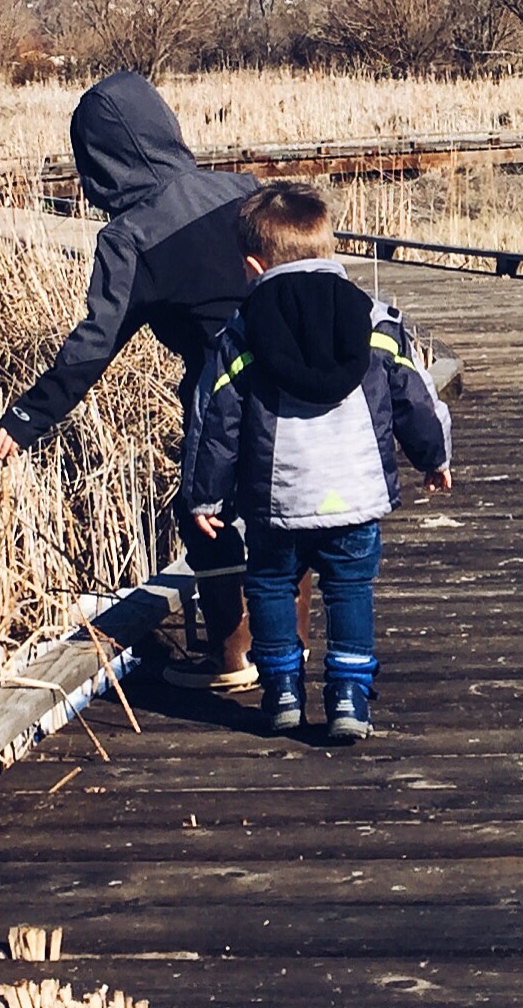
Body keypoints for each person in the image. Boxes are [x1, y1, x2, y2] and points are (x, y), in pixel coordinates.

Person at [0, 70, 260, 688]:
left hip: (218, 395)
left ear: (99, 164)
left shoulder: (129, 238)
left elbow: (93, 345)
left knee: (204, 517)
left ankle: (235, 660)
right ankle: (285, 657)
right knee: (282, 512)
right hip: (289, 377)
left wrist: (27, 418)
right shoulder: (243, 188)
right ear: (166, 127)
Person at [182, 179, 452, 743]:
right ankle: (349, 697)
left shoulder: (241, 333)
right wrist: (434, 456)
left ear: (253, 267)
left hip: (276, 501)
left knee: (272, 585)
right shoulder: (374, 320)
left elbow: (218, 419)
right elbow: (413, 395)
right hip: (354, 494)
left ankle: (281, 691)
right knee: (350, 589)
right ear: (329, 250)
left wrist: (205, 494)